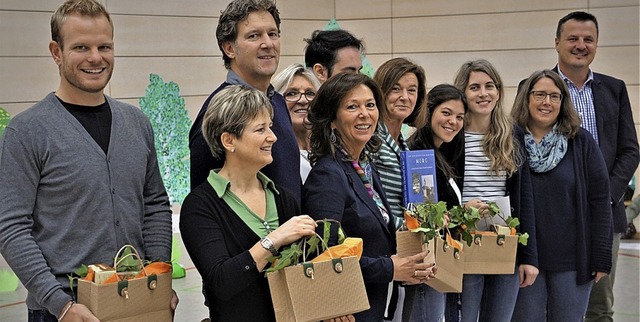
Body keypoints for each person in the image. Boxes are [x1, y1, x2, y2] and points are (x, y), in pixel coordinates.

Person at [0, 0, 174, 321]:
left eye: (104, 46)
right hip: (63, 310)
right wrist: (60, 304)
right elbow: (10, 227)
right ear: (56, 52)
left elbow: (155, 205)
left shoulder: (137, 123)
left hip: (137, 296)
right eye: (81, 47)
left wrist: (158, 277)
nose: (96, 57)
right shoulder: (27, 131)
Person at [180, 85, 321, 321]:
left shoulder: (281, 197)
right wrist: (274, 239)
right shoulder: (200, 207)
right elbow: (222, 282)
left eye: (271, 127)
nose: (273, 137)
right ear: (228, 140)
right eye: (260, 129)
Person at [303, 73, 435, 321]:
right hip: (346, 311)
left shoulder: (363, 168)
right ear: (332, 120)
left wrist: (417, 260)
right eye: (352, 106)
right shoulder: (327, 176)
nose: (365, 114)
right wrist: (391, 268)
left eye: (370, 105)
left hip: (374, 305)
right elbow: (323, 255)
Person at [548, 12, 640, 321]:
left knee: (599, 309)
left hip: (603, 215)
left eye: (588, 39)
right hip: (554, 215)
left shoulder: (614, 89)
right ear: (557, 42)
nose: (580, 45)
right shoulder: (535, 88)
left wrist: (606, 196)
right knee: (552, 303)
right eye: (573, 38)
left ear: (596, 45)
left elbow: (629, 151)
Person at [511, 70, 612, 321]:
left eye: (555, 96)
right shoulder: (510, 141)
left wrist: (601, 257)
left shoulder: (581, 142)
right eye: (540, 94)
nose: (547, 102)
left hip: (573, 260)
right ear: (526, 99)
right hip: (523, 258)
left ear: (563, 102)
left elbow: (600, 201)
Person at [445, 59, 537, 322]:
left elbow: (525, 198)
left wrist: (528, 257)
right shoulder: (452, 137)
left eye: (489, 86)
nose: (483, 93)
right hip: (464, 243)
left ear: (498, 91)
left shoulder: (512, 135)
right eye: (474, 87)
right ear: (463, 92)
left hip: (504, 243)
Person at [189, 0, 301, 204]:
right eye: (254, 36)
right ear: (230, 48)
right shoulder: (218, 114)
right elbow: (202, 207)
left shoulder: (277, 101)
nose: (268, 44)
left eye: (273, 34)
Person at [370, 57, 427, 321]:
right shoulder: (371, 139)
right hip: (379, 253)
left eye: (412, 90)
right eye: (395, 88)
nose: (405, 96)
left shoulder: (404, 143)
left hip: (403, 251)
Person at [406, 84, 468, 322]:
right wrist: (461, 213)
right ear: (429, 111)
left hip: (439, 267)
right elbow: (424, 217)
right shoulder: (418, 155)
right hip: (425, 266)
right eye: (446, 113)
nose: (453, 121)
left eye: (460, 117)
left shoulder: (441, 154)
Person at [271, 63, 321, 183]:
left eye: (310, 93)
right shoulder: (272, 153)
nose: (303, 100)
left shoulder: (330, 147)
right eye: (292, 93)